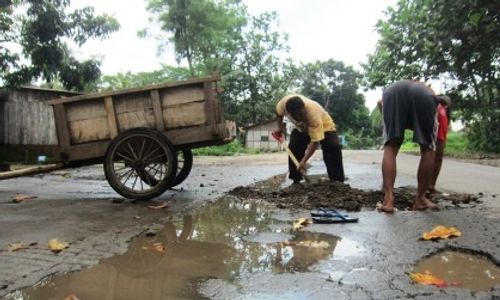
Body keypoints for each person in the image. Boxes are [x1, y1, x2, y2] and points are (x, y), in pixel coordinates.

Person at [379, 80, 439, 212]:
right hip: (423, 97)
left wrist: (389, 125)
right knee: (428, 148)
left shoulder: (402, 86)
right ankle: (420, 199)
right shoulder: (429, 93)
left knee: (391, 145)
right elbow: (433, 142)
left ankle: (388, 200)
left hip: (391, 92)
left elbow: (379, 103)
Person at [273, 94, 345, 184]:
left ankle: (337, 180)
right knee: (294, 145)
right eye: (297, 115)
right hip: (302, 128)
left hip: (325, 126)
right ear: (289, 113)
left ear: (304, 108)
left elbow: (315, 141)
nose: (300, 117)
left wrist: (303, 161)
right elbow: (278, 113)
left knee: (333, 146)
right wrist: (279, 128)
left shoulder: (313, 113)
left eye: (302, 114)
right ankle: (296, 178)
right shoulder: (282, 105)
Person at [428, 95, 451, 194]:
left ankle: (431, 184)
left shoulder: (444, 112)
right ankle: (429, 185)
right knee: (434, 160)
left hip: (440, 137)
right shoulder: (438, 108)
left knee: (437, 160)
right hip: (436, 137)